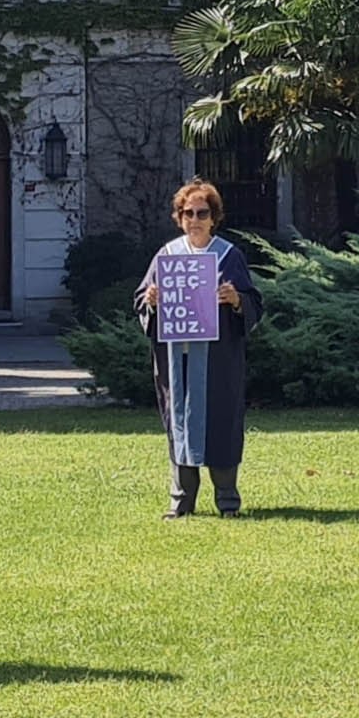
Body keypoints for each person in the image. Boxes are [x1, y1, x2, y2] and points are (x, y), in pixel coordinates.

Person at [139, 178, 262, 518]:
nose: (195, 219)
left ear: (214, 217)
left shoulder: (228, 255)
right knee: (178, 423)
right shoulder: (167, 256)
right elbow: (142, 301)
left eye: (202, 213)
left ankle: (227, 502)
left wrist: (236, 300)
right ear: (179, 217)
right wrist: (151, 301)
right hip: (176, 361)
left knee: (220, 422)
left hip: (218, 361)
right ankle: (182, 503)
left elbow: (254, 303)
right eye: (188, 213)